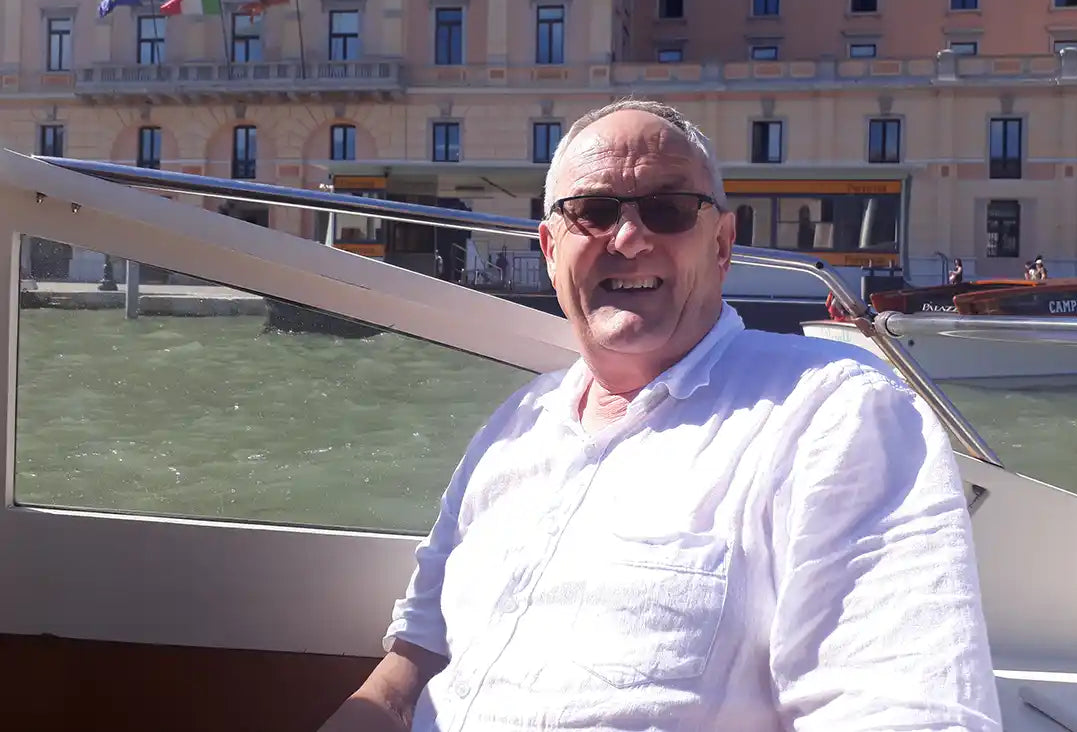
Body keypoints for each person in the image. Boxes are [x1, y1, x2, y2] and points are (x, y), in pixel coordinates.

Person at [319, 99, 1000, 732]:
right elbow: (412, 662)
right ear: (551, 250)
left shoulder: (837, 414)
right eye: (593, 210)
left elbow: (904, 712)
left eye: (669, 209)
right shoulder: (513, 426)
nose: (630, 236)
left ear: (723, 244)